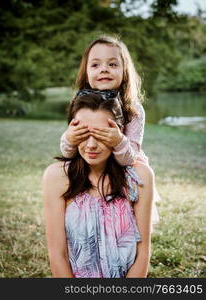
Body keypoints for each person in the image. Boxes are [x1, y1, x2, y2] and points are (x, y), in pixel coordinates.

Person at [43, 92, 154, 278]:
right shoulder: (57, 177)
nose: (91, 145)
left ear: (117, 133)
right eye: (83, 134)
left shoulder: (140, 177)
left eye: (101, 134)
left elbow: (142, 256)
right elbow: (58, 256)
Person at [59, 34, 159, 225]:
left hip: (122, 170)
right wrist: (70, 139)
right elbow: (69, 152)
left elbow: (130, 158)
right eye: (95, 65)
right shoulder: (81, 104)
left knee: (128, 224)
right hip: (91, 168)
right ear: (86, 72)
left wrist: (118, 141)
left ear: (124, 71)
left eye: (112, 64)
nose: (104, 69)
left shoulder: (134, 108)